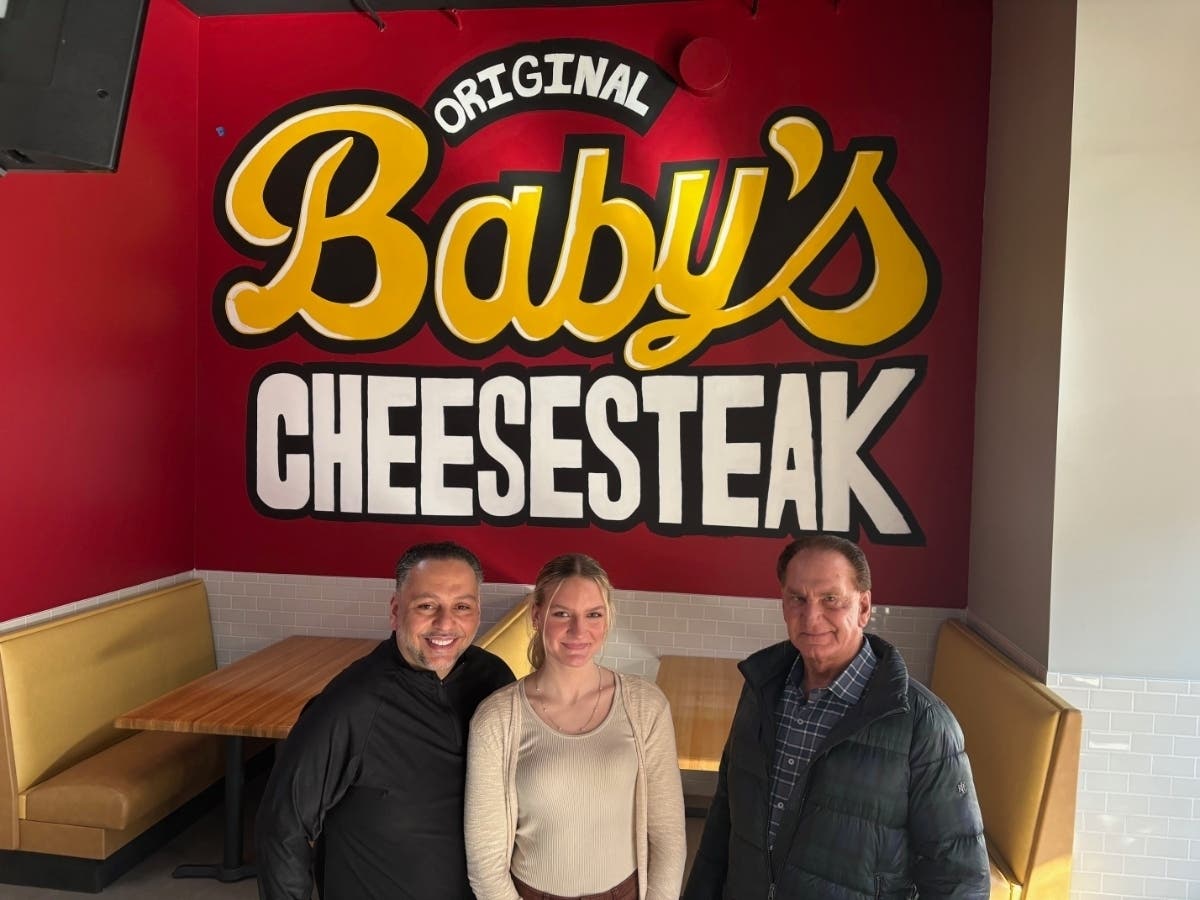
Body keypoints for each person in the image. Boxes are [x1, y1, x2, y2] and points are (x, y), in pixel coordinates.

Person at [683, 535, 990, 900]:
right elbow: (724, 818)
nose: (811, 617)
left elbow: (959, 879)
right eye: (797, 598)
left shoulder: (923, 724)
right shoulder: (760, 689)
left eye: (831, 599)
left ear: (863, 607)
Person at [255, 541, 515, 900]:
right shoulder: (350, 704)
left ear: (477, 612)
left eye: (462, 607)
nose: (445, 623)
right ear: (396, 611)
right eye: (426, 605)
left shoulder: (494, 679)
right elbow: (282, 826)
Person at [465, 553, 686, 900]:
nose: (578, 631)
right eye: (562, 613)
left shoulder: (646, 705)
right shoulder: (496, 719)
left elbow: (668, 835)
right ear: (537, 616)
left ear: (607, 618)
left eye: (593, 615)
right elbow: (484, 859)